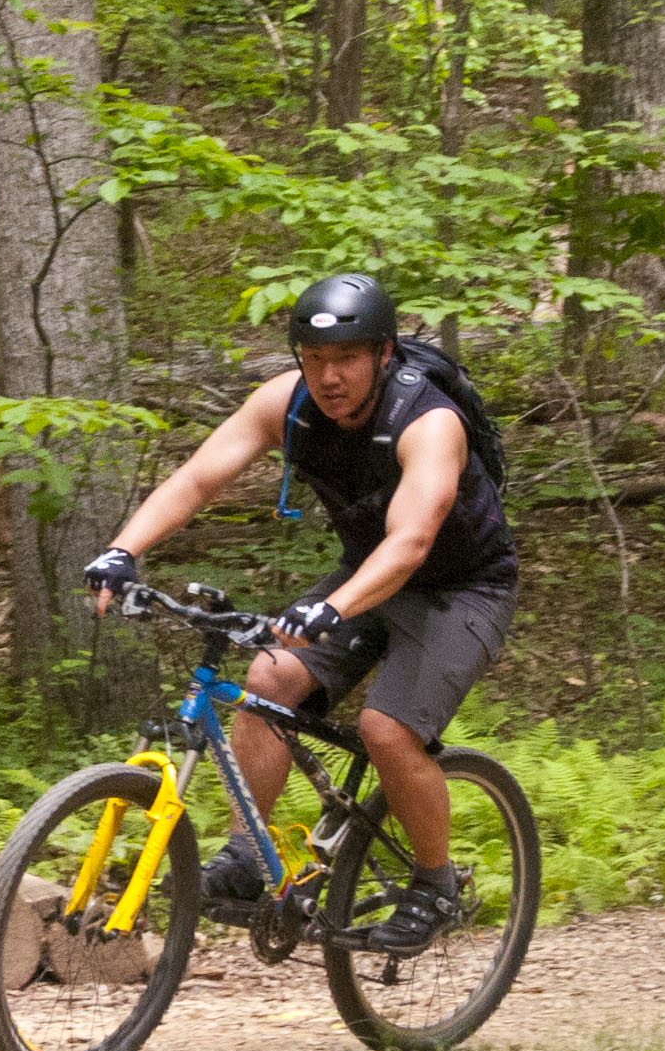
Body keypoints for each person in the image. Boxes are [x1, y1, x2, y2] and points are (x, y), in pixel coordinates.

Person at [81, 273, 516, 953]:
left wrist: (330, 607)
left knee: (387, 729)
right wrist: (120, 549)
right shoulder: (287, 405)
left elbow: (412, 541)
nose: (329, 377)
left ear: (383, 355)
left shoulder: (428, 423)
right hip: (364, 575)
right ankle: (250, 856)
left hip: (461, 588)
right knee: (268, 680)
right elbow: (199, 478)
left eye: (345, 359)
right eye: (314, 361)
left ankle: (435, 885)